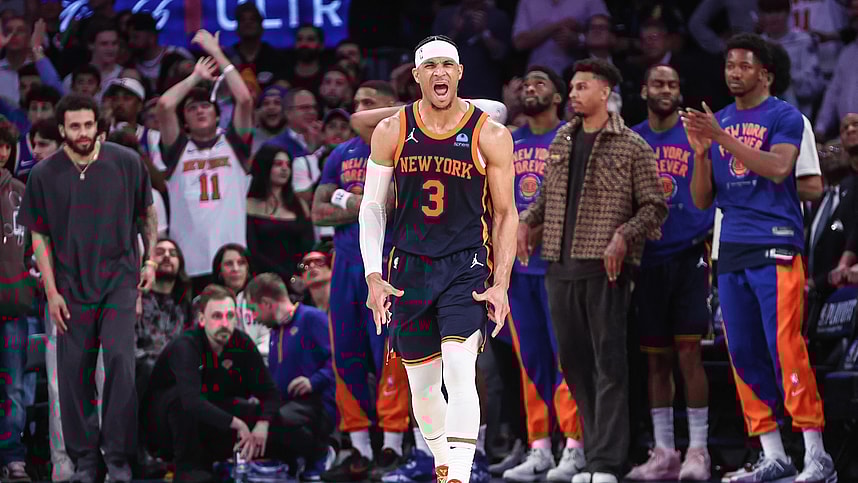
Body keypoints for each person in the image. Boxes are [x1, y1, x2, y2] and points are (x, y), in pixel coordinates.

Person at [360, 34, 518, 483]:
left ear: (460, 72)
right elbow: (372, 207)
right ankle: (445, 467)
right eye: (430, 66)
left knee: (460, 367)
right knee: (424, 388)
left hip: (466, 264)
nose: (440, 72)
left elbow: (506, 213)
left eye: (447, 64)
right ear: (417, 76)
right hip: (408, 266)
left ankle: (459, 476)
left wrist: (501, 282)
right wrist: (373, 274)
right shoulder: (392, 130)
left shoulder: (490, 133)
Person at [681, 33, 836, 483]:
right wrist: (702, 154)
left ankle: (817, 455)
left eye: (744, 65)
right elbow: (701, 199)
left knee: (786, 347)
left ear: (765, 74)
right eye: (730, 64)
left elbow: (780, 167)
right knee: (743, 352)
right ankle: (773, 455)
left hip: (776, 242)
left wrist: (720, 138)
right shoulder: (721, 119)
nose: (734, 72)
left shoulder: (784, 116)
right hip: (731, 246)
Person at [518, 58, 668, 483]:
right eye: (572, 87)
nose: (573, 94)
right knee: (574, 364)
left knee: (609, 366)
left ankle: (606, 463)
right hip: (558, 264)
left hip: (606, 267)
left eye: (582, 86)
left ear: (605, 92)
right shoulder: (563, 139)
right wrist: (527, 222)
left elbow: (655, 206)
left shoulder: (631, 144)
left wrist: (624, 234)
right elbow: (546, 198)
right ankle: (590, 452)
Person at [18, 93, 157, 482]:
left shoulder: (126, 162)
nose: (83, 133)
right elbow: (39, 236)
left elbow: (147, 213)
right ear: (62, 129)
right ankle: (85, 460)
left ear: (98, 125)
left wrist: (150, 261)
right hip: (69, 285)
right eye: (75, 126)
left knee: (119, 362)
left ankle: (118, 457)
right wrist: (51, 291)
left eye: (88, 125)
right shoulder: (44, 174)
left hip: (119, 280)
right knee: (72, 373)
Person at [311, 76, 410, 482]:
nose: (359, 110)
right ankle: (358, 445)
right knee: (346, 353)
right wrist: (360, 203)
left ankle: (392, 442)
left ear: (389, 107)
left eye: (369, 102)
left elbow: (393, 205)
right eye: (357, 103)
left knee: (390, 352)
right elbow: (317, 210)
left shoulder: (404, 147)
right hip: (346, 264)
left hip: (388, 263)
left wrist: (344, 200)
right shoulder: (341, 153)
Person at [624, 64, 714, 481]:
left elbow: (711, 190)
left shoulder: (696, 132)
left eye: (673, 84)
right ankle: (664, 451)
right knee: (656, 360)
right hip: (648, 258)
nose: (666, 89)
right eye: (658, 83)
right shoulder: (632, 137)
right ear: (644, 90)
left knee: (689, 354)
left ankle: (698, 450)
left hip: (690, 253)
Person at [499, 66, 585, 483]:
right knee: (530, 359)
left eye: (540, 83)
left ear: (559, 96)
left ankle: (575, 446)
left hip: (559, 265)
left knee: (566, 357)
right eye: (525, 82)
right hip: (516, 269)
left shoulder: (571, 138)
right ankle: (539, 448)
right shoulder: (506, 142)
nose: (530, 87)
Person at [143, 284, 324, 481]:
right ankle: (189, 469)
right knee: (181, 401)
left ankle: (300, 458)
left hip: (215, 415)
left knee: (279, 422)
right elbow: (191, 401)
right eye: (217, 316)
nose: (224, 323)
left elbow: (270, 394)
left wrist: (262, 424)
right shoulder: (186, 346)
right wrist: (236, 424)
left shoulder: (241, 343)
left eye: (229, 316)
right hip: (167, 427)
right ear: (202, 320)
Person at [156, 30, 254, 294]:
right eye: (192, 108)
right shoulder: (177, 148)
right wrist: (196, 77)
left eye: (205, 106)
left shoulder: (235, 144)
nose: (200, 110)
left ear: (217, 115)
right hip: (188, 260)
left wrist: (216, 53)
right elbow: (164, 105)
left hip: (232, 260)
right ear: (185, 121)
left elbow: (245, 99)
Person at [245, 273, 337, 481]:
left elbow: (339, 359)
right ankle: (291, 461)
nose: (254, 318)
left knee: (277, 419)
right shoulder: (275, 332)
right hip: (291, 405)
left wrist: (314, 381)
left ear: (267, 303)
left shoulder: (312, 318)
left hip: (320, 403)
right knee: (256, 413)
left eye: (253, 309)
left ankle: (322, 452)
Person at [0, 118, 36, 483]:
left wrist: (28, 281)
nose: (1, 152)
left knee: (13, 386)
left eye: (5, 146)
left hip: (14, 305)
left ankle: (13, 457)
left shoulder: (22, 192)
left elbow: (33, 250)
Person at [246, 144, 314, 286]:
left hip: (301, 280)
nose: (284, 169)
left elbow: (308, 245)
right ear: (265, 166)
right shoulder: (249, 205)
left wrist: (299, 276)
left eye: (288, 165)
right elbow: (254, 251)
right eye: (278, 164)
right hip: (264, 280)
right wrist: (289, 278)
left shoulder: (300, 205)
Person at [300, 244, 333, 312]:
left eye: (319, 261)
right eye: (306, 264)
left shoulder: (347, 298)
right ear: (303, 277)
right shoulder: (300, 312)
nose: (312, 266)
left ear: (330, 270)